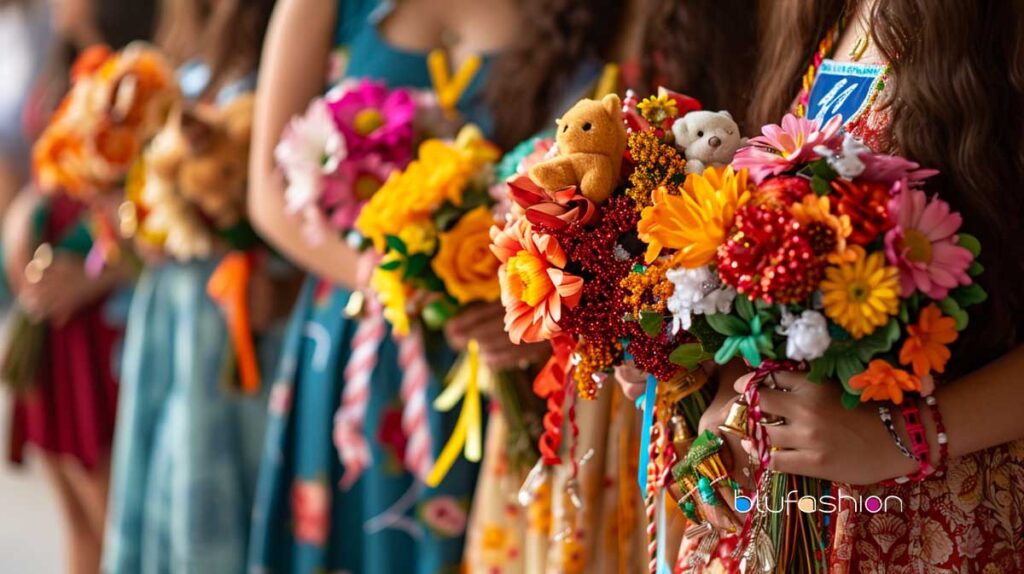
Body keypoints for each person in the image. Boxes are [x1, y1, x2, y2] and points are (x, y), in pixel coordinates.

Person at [628, 0, 1024, 570]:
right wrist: (723, 383)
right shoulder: (822, 17)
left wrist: (904, 440)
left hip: (937, 519)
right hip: (781, 508)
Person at [100, 1, 286, 573]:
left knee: (231, 485)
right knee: (170, 477)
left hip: (242, 311)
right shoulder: (184, 45)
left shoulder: (279, 34)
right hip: (178, 314)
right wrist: (137, 213)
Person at [1, 1, 157, 573]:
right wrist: (23, 217)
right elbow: (42, 170)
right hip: (52, 308)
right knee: (77, 520)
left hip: (107, 309)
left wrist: (99, 275)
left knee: (113, 520)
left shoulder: (146, 73)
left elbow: (162, 205)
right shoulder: (60, 59)